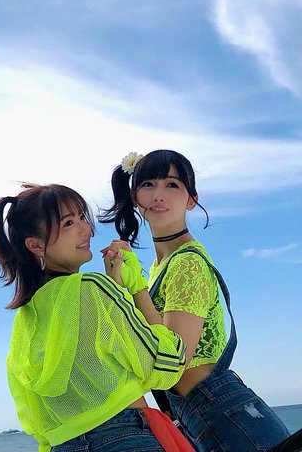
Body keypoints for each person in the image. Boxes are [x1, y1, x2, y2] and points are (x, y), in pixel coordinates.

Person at [100, 149, 290, 452]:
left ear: (191, 200)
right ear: (135, 197)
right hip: (201, 416)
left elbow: (174, 361)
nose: (159, 194)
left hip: (226, 414)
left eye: (172, 185)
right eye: (148, 184)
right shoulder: (160, 267)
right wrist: (120, 286)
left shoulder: (187, 263)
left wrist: (135, 290)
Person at [0, 183, 193, 452]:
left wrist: (114, 289)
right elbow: (168, 363)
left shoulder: (26, 319)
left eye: (82, 217)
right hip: (124, 437)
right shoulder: (92, 288)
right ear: (36, 245)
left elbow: (41, 413)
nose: (86, 229)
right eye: (69, 223)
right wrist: (136, 287)